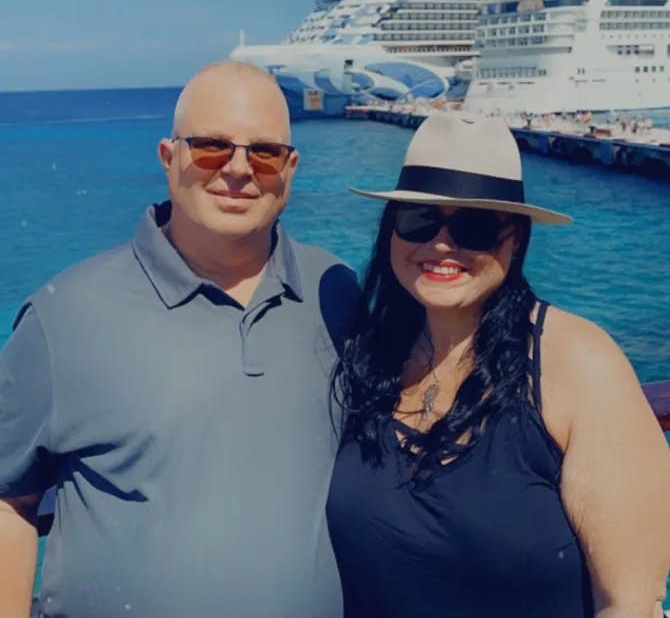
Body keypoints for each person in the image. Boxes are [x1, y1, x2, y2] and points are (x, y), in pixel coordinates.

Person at [0, 61, 359, 618]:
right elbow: (8, 502)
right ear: (169, 158)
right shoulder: (63, 316)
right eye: (212, 147)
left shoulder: (336, 294)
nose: (238, 170)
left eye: (263, 152)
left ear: (289, 169)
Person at [327, 112, 670, 618]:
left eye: (474, 227)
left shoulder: (579, 364)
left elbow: (630, 603)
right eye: (419, 220)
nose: (441, 245)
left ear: (515, 239)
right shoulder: (367, 355)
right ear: (391, 232)